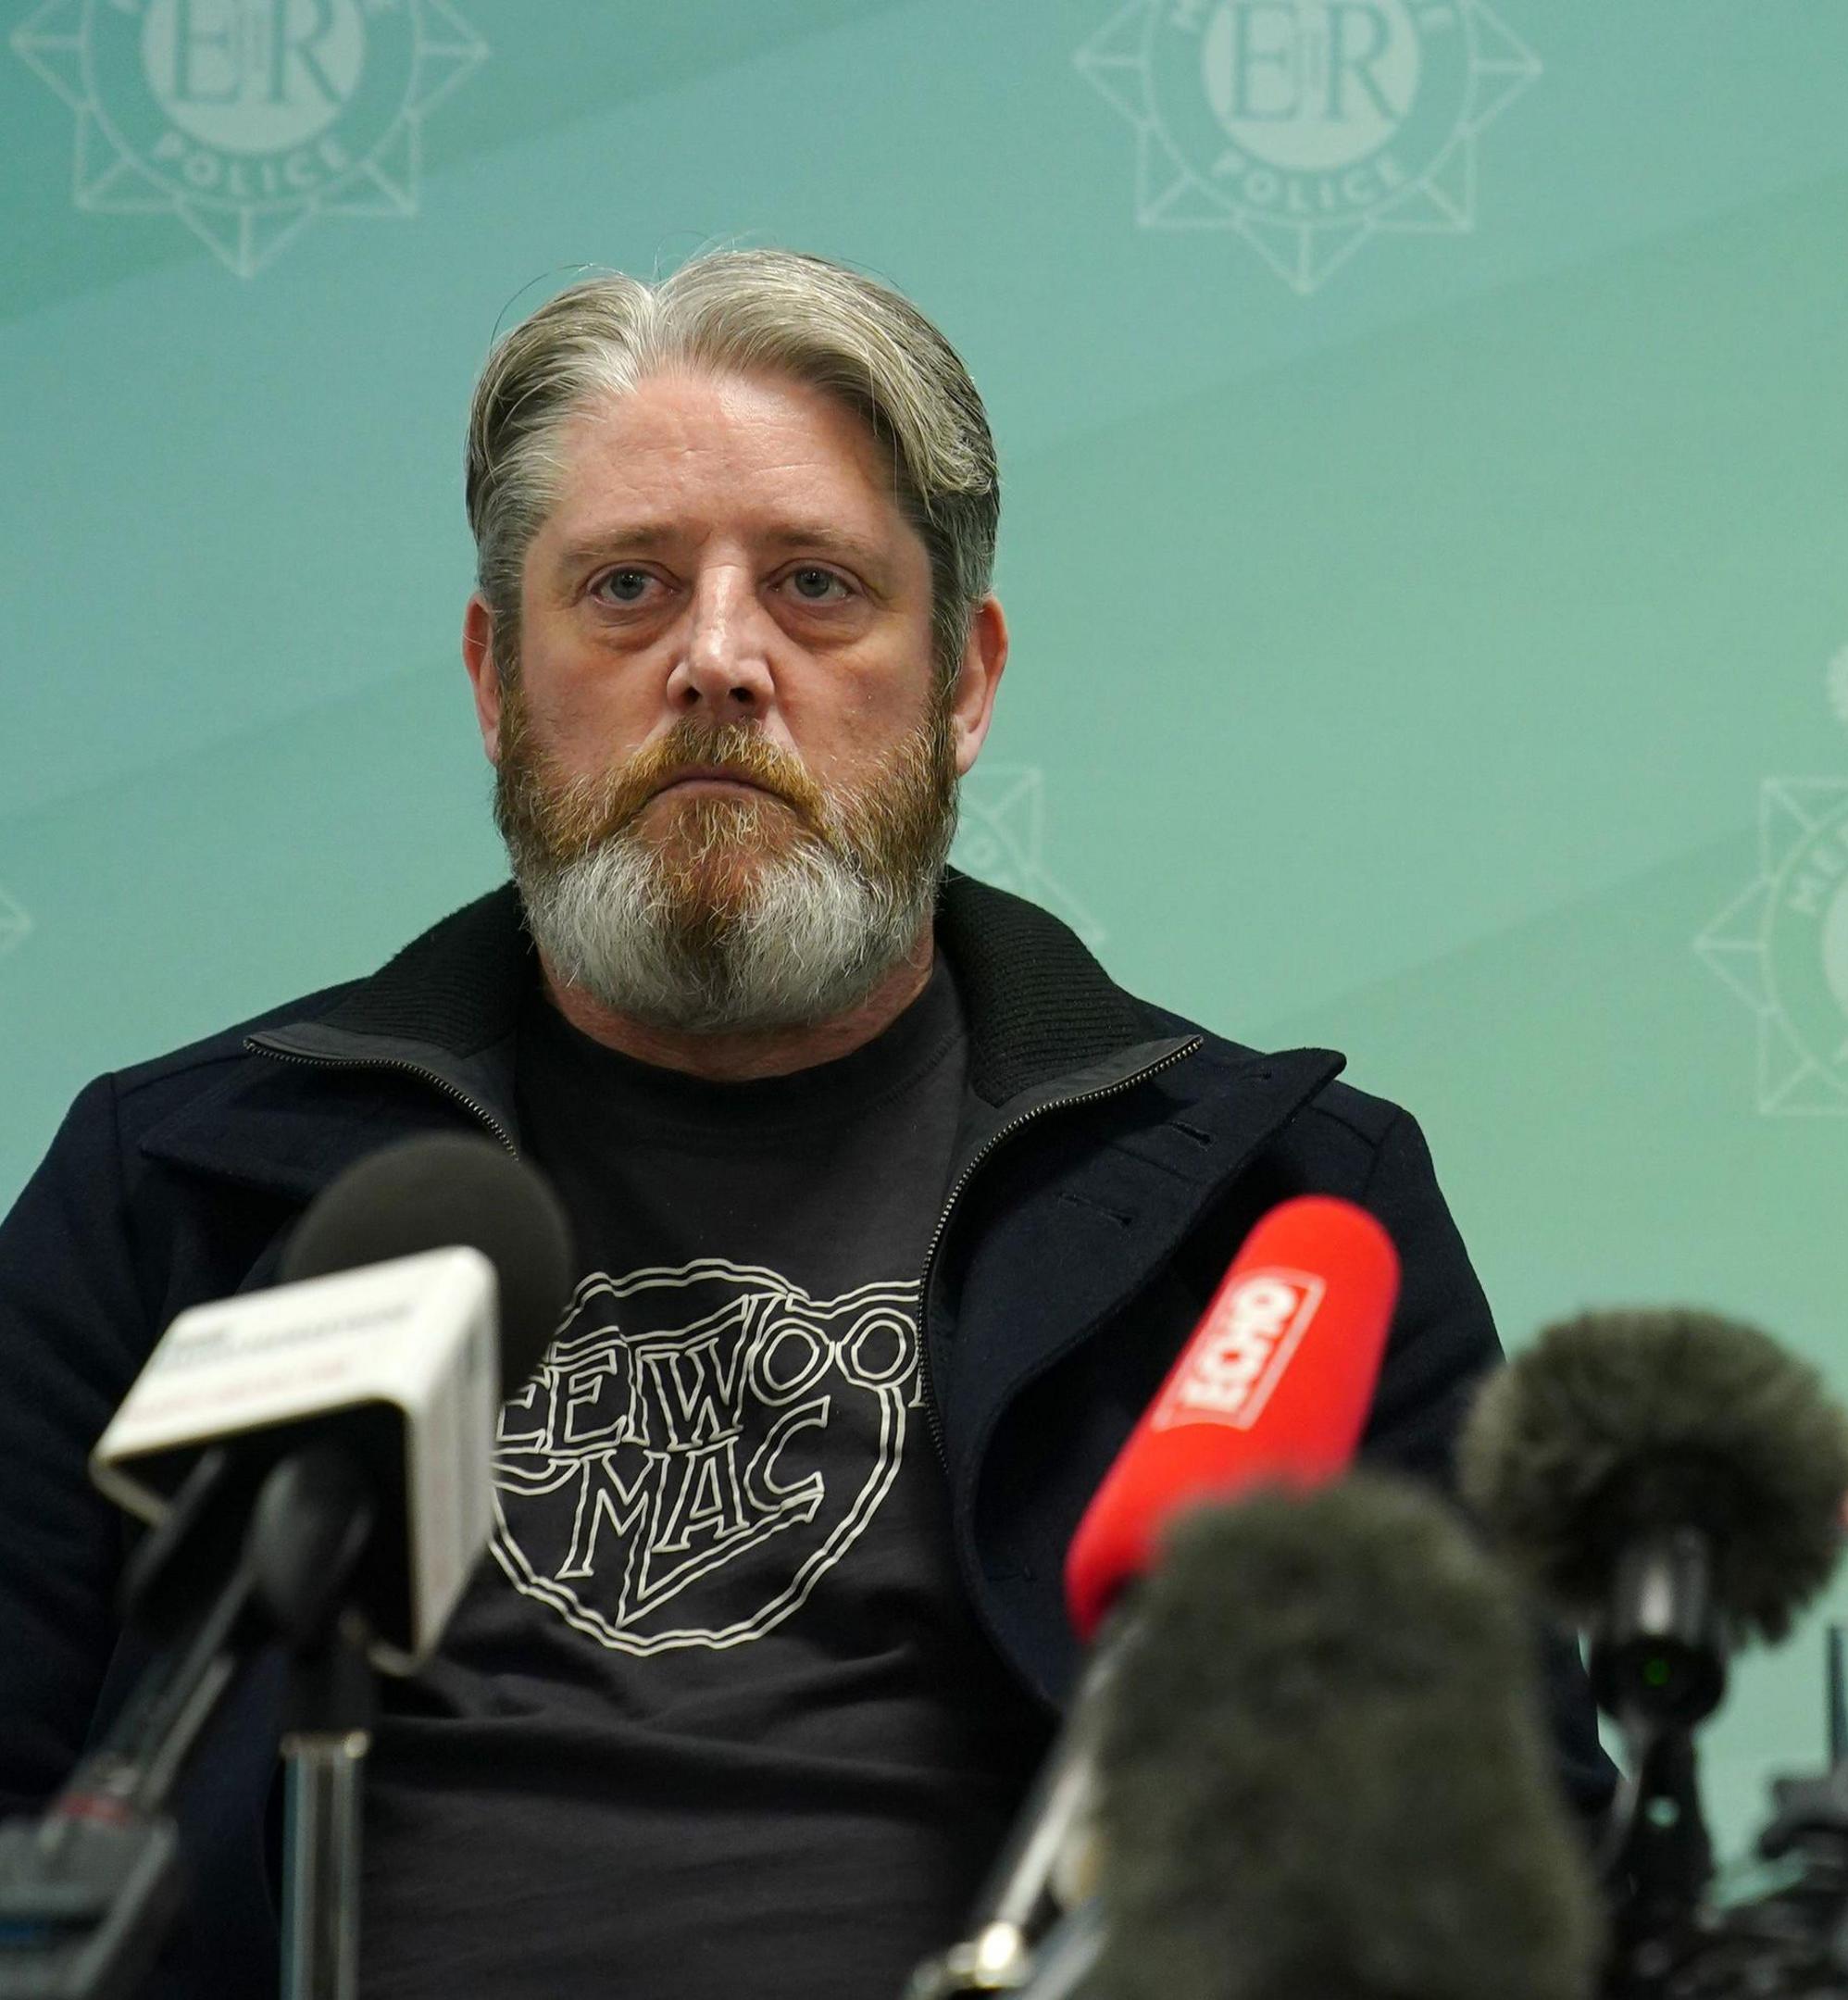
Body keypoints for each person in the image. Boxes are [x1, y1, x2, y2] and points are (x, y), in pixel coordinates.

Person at [0, 249, 1603, 2000]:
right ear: (490, 678)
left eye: (819, 587)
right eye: (623, 588)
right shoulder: (184, 1193)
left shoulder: (1274, 1218)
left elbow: (1506, 1878)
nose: (716, 660)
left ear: (965, 684)